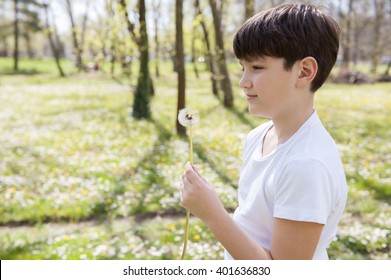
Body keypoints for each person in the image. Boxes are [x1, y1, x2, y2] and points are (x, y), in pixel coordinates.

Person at [180, 3, 348, 260]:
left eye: (257, 68)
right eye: (242, 68)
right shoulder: (259, 136)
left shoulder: (306, 164)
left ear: (304, 72)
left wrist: (212, 213)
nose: (243, 81)